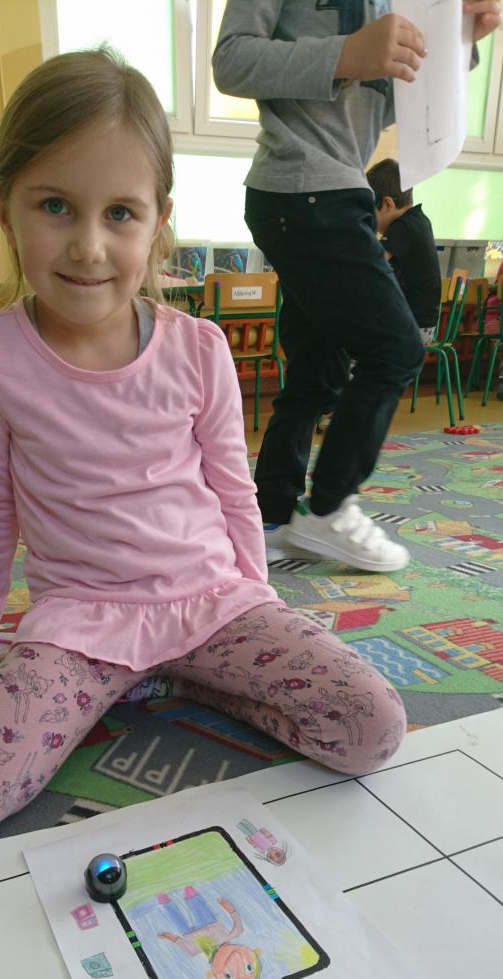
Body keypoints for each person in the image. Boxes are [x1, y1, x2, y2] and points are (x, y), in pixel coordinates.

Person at [0, 49, 407, 837]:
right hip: (80, 624)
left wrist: (256, 595)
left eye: (119, 214)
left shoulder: (198, 348)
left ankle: (175, 681)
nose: (88, 247)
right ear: (2, 207)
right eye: (55, 206)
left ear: (158, 220)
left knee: (371, 726)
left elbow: (232, 489)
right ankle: (22, 665)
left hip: (212, 605)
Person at [212, 1, 500, 572]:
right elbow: (232, 60)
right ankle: (329, 508)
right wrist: (346, 53)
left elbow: (391, 102)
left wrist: (458, 40)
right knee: (397, 348)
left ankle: (271, 516)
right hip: (303, 187)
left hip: (334, 190)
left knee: (317, 371)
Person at [366, 158, 441, 345]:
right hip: (422, 323)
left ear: (388, 204)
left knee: (354, 345)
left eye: (371, 212)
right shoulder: (418, 220)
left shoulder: (403, 226)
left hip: (413, 325)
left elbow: (372, 261)